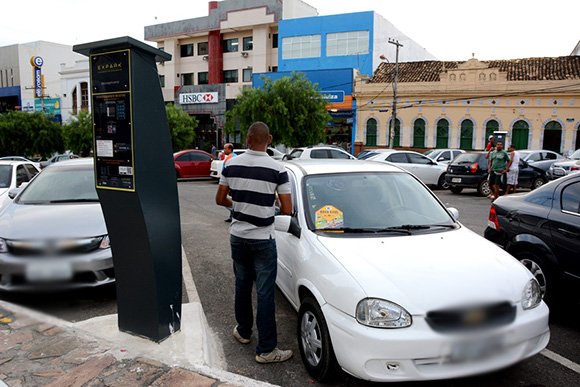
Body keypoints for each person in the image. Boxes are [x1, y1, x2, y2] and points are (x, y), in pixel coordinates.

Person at [215, 122, 293, 364]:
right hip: (263, 239)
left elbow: (219, 199)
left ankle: (243, 332)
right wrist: (268, 207)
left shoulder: (232, 165)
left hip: (238, 237)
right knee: (265, 293)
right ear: (268, 139)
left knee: (242, 285)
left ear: (247, 139)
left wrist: (238, 205)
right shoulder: (277, 169)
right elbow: (287, 209)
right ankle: (267, 350)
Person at [222, 143, 237, 222]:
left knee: (224, 199)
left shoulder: (233, 157)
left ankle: (234, 211)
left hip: (230, 183)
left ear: (230, 149)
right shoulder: (229, 157)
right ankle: (232, 213)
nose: (224, 150)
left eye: (225, 148)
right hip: (227, 181)